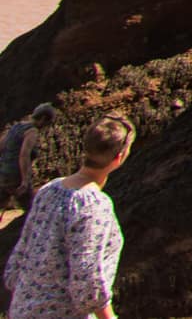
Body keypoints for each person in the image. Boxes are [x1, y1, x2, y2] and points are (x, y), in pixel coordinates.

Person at [1, 113, 132, 319]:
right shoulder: (94, 205)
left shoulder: (49, 189)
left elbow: (20, 257)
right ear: (119, 157)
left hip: (23, 310)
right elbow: (88, 279)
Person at [0, 103, 59, 217]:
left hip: (3, 173)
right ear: (43, 118)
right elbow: (24, 155)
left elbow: (1, 146)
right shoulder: (32, 131)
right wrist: (25, 181)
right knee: (31, 208)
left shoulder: (15, 127)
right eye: (48, 123)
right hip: (15, 175)